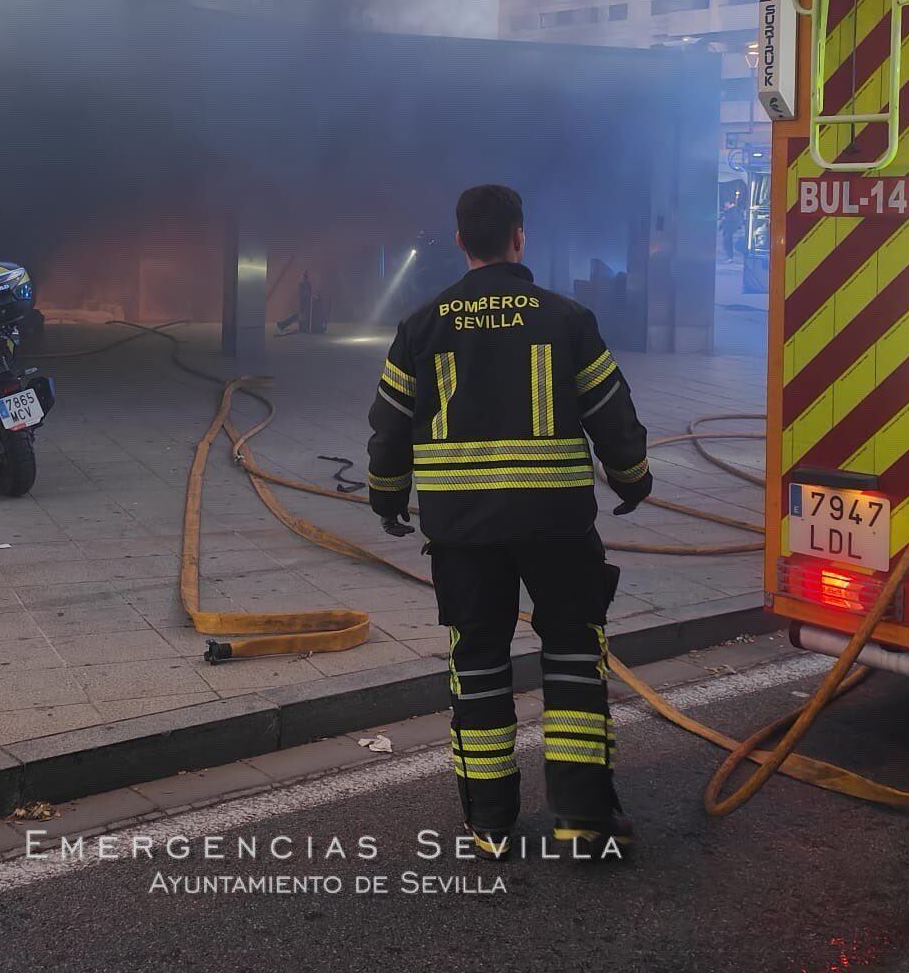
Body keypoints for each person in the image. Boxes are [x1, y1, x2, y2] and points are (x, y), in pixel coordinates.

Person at [367, 184, 651, 863]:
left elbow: (388, 433)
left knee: (479, 665)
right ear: (519, 237)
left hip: (463, 535)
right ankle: (583, 822)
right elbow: (613, 415)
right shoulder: (567, 318)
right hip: (558, 526)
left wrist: (386, 500)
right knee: (576, 661)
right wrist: (633, 481)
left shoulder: (421, 326)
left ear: (461, 240)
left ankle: (491, 827)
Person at [276, 270, 314, 335]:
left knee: (297, 316)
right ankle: (282, 324)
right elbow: (303, 295)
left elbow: (305, 295)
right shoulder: (304, 284)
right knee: (297, 316)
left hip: (306, 305)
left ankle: (282, 324)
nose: (305, 277)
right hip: (305, 305)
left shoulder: (305, 284)